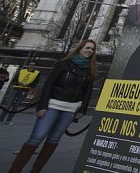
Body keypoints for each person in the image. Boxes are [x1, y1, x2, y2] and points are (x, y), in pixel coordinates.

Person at [9, 40, 96, 173]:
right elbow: (48, 84)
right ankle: (15, 170)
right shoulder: (63, 64)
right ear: (80, 48)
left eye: (92, 49)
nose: (89, 51)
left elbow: (87, 91)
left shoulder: (90, 70)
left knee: (54, 139)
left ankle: (35, 170)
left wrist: (83, 108)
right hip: (53, 105)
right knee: (37, 137)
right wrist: (42, 105)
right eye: (87, 48)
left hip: (71, 109)